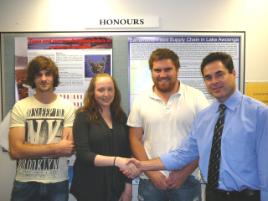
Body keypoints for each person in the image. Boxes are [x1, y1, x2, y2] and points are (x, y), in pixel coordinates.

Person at [126, 52, 268, 201]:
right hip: (213, 194)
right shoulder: (205, 117)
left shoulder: (259, 114)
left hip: (247, 196)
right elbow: (183, 154)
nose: (214, 81)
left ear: (233, 73)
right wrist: (142, 166)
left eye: (219, 74)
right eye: (208, 77)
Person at [127, 48, 209, 201]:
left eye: (167, 69)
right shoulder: (141, 99)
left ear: (177, 70)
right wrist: (152, 173)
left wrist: (183, 173)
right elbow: (134, 139)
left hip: (187, 179)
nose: (162, 74)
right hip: (150, 181)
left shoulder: (196, 97)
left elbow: (205, 141)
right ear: (151, 71)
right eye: (157, 70)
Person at [9, 56, 75, 201]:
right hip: (26, 182)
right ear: (33, 78)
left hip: (57, 182)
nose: (44, 79)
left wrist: (29, 149)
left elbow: (68, 149)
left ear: (54, 77)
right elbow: (15, 151)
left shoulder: (67, 107)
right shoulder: (21, 106)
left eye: (48, 74)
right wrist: (56, 148)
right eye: (39, 74)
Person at [70, 73, 135, 201]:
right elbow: (84, 155)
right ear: (92, 92)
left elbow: (128, 155)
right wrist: (116, 160)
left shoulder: (121, 117)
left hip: (117, 187)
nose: (106, 94)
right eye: (101, 90)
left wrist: (128, 188)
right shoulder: (83, 116)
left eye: (110, 89)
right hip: (89, 188)